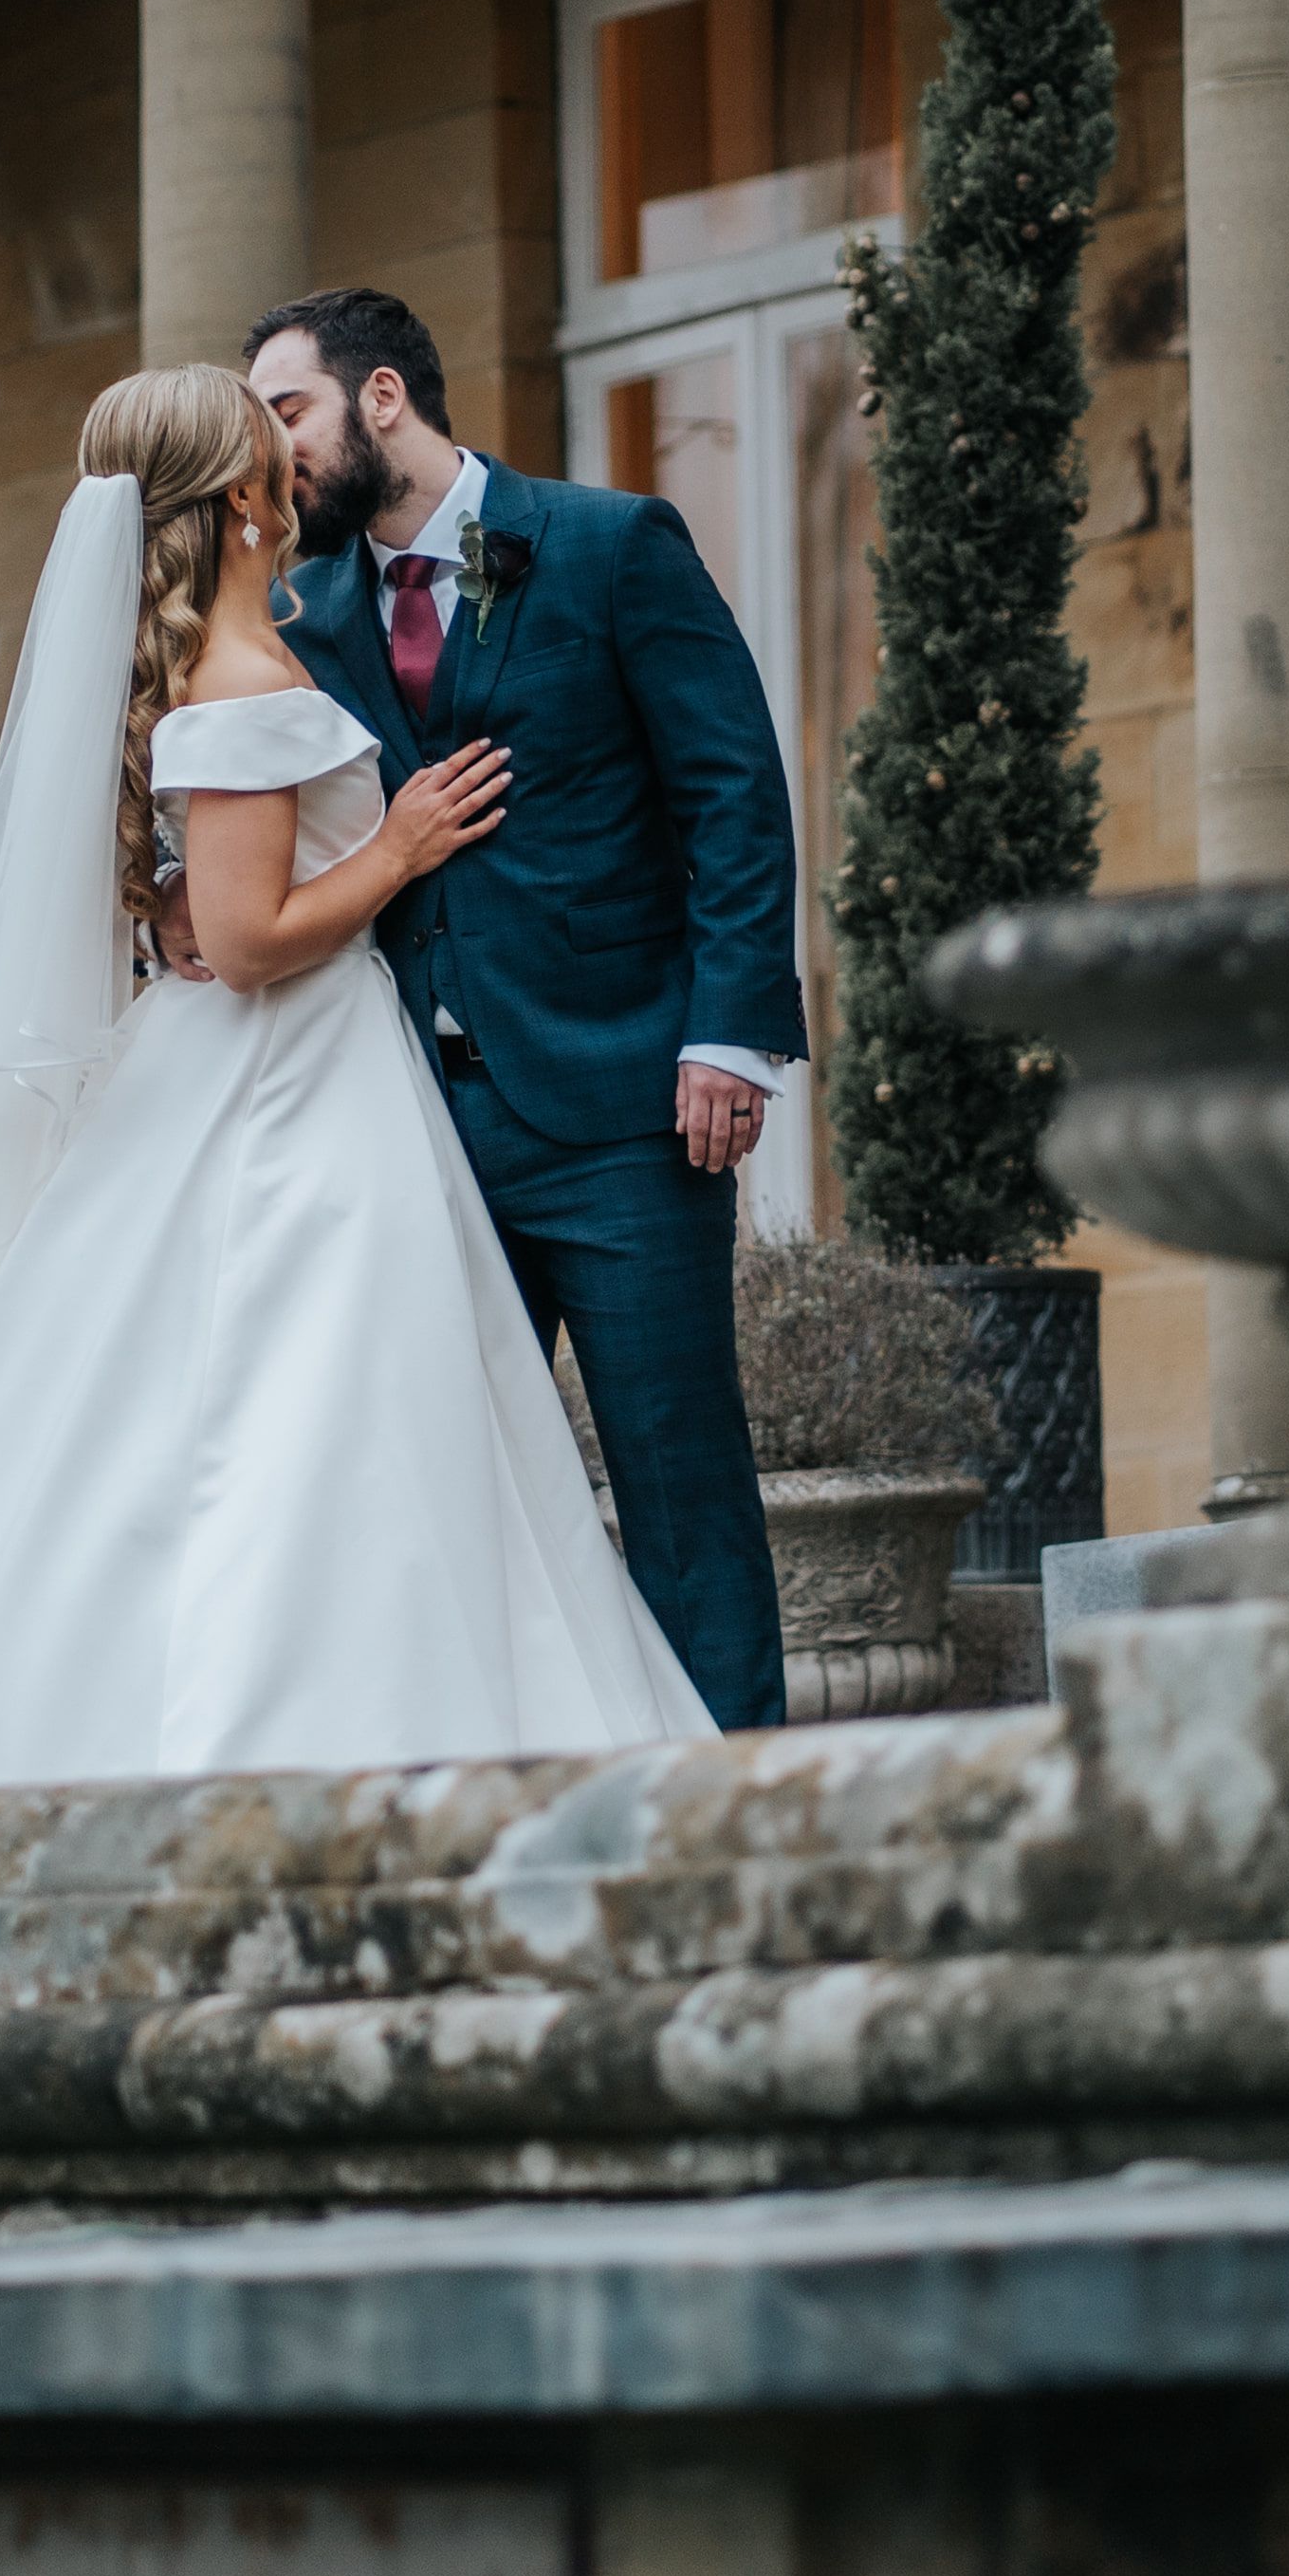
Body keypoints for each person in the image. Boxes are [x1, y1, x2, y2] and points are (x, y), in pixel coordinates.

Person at [0, 363, 715, 1791]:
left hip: (284, 1069)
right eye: (273, 453)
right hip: (288, 1081)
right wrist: (401, 849)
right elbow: (244, 943)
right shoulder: (238, 683)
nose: (298, 474)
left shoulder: (232, 660)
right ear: (242, 498)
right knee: (316, 1403)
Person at [243, 287, 806, 1732]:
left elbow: (730, 792)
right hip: (414, 1132)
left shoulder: (613, 548)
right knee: (441, 1502)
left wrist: (726, 1032)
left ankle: (741, 1820)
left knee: (679, 1486)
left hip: (625, 1110)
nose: (273, 450)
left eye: (288, 412)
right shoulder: (302, 617)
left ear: (381, 400)